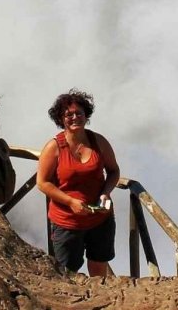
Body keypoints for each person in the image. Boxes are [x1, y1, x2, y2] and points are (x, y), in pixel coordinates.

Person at [36, 89, 120, 276]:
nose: (75, 117)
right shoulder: (54, 147)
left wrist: (106, 192)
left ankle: (101, 302)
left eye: (79, 113)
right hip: (67, 221)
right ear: (61, 119)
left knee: (99, 266)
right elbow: (42, 182)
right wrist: (70, 202)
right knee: (67, 273)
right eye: (68, 114)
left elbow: (114, 171)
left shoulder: (98, 141)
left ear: (86, 115)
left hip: (100, 218)